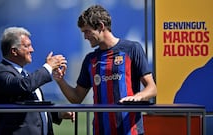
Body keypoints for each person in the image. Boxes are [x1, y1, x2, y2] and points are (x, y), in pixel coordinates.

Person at [53, 5, 157, 135]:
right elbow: (76, 98)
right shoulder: (90, 59)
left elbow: (152, 88)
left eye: (87, 31)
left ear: (101, 26)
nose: (85, 37)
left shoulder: (132, 49)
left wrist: (137, 97)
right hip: (101, 131)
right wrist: (60, 80)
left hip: (131, 131)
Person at [0, 27, 74, 135]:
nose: (32, 50)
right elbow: (23, 86)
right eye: (27, 46)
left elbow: (31, 107)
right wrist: (48, 67)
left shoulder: (25, 74)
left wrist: (58, 114)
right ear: (14, 51)